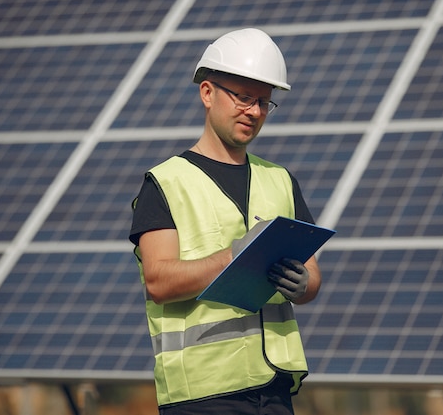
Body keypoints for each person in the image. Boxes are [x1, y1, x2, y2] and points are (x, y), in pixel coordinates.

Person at [129, 28, 322, 415]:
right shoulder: (167, 182)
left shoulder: (280, 180)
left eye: (264, 103)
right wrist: (232, 257)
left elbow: (312, 276)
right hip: (202, 394)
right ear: (207, 93)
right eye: (244, 97)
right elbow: (159, 281)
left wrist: (303, 285)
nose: (254, 111)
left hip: (275, 389)